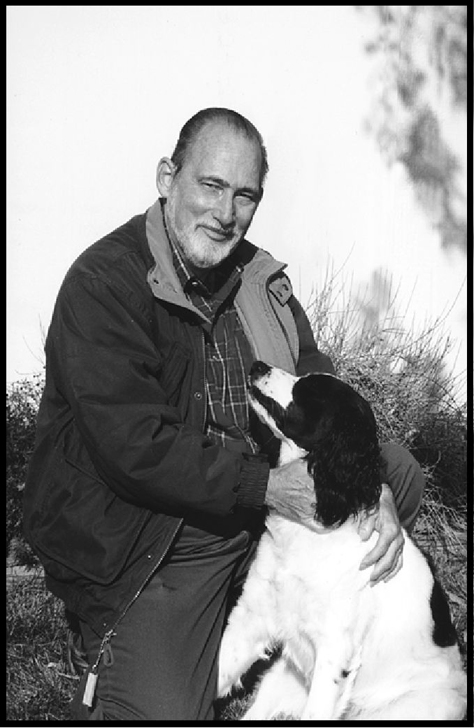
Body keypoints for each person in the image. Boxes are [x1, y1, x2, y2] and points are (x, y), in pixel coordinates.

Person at [23, 107, 425, 721]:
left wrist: (376, 495)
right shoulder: (105, 283)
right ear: (167, 177)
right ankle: (111, 649)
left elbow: (323, 388)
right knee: (163, 714)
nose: (225, 212)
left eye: (245, 196)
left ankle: (312, 626)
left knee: (396, 471)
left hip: (255, 500)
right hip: (158, 529)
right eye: (211, 186)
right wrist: (266, 486)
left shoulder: (259, 277)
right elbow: (136, 447)